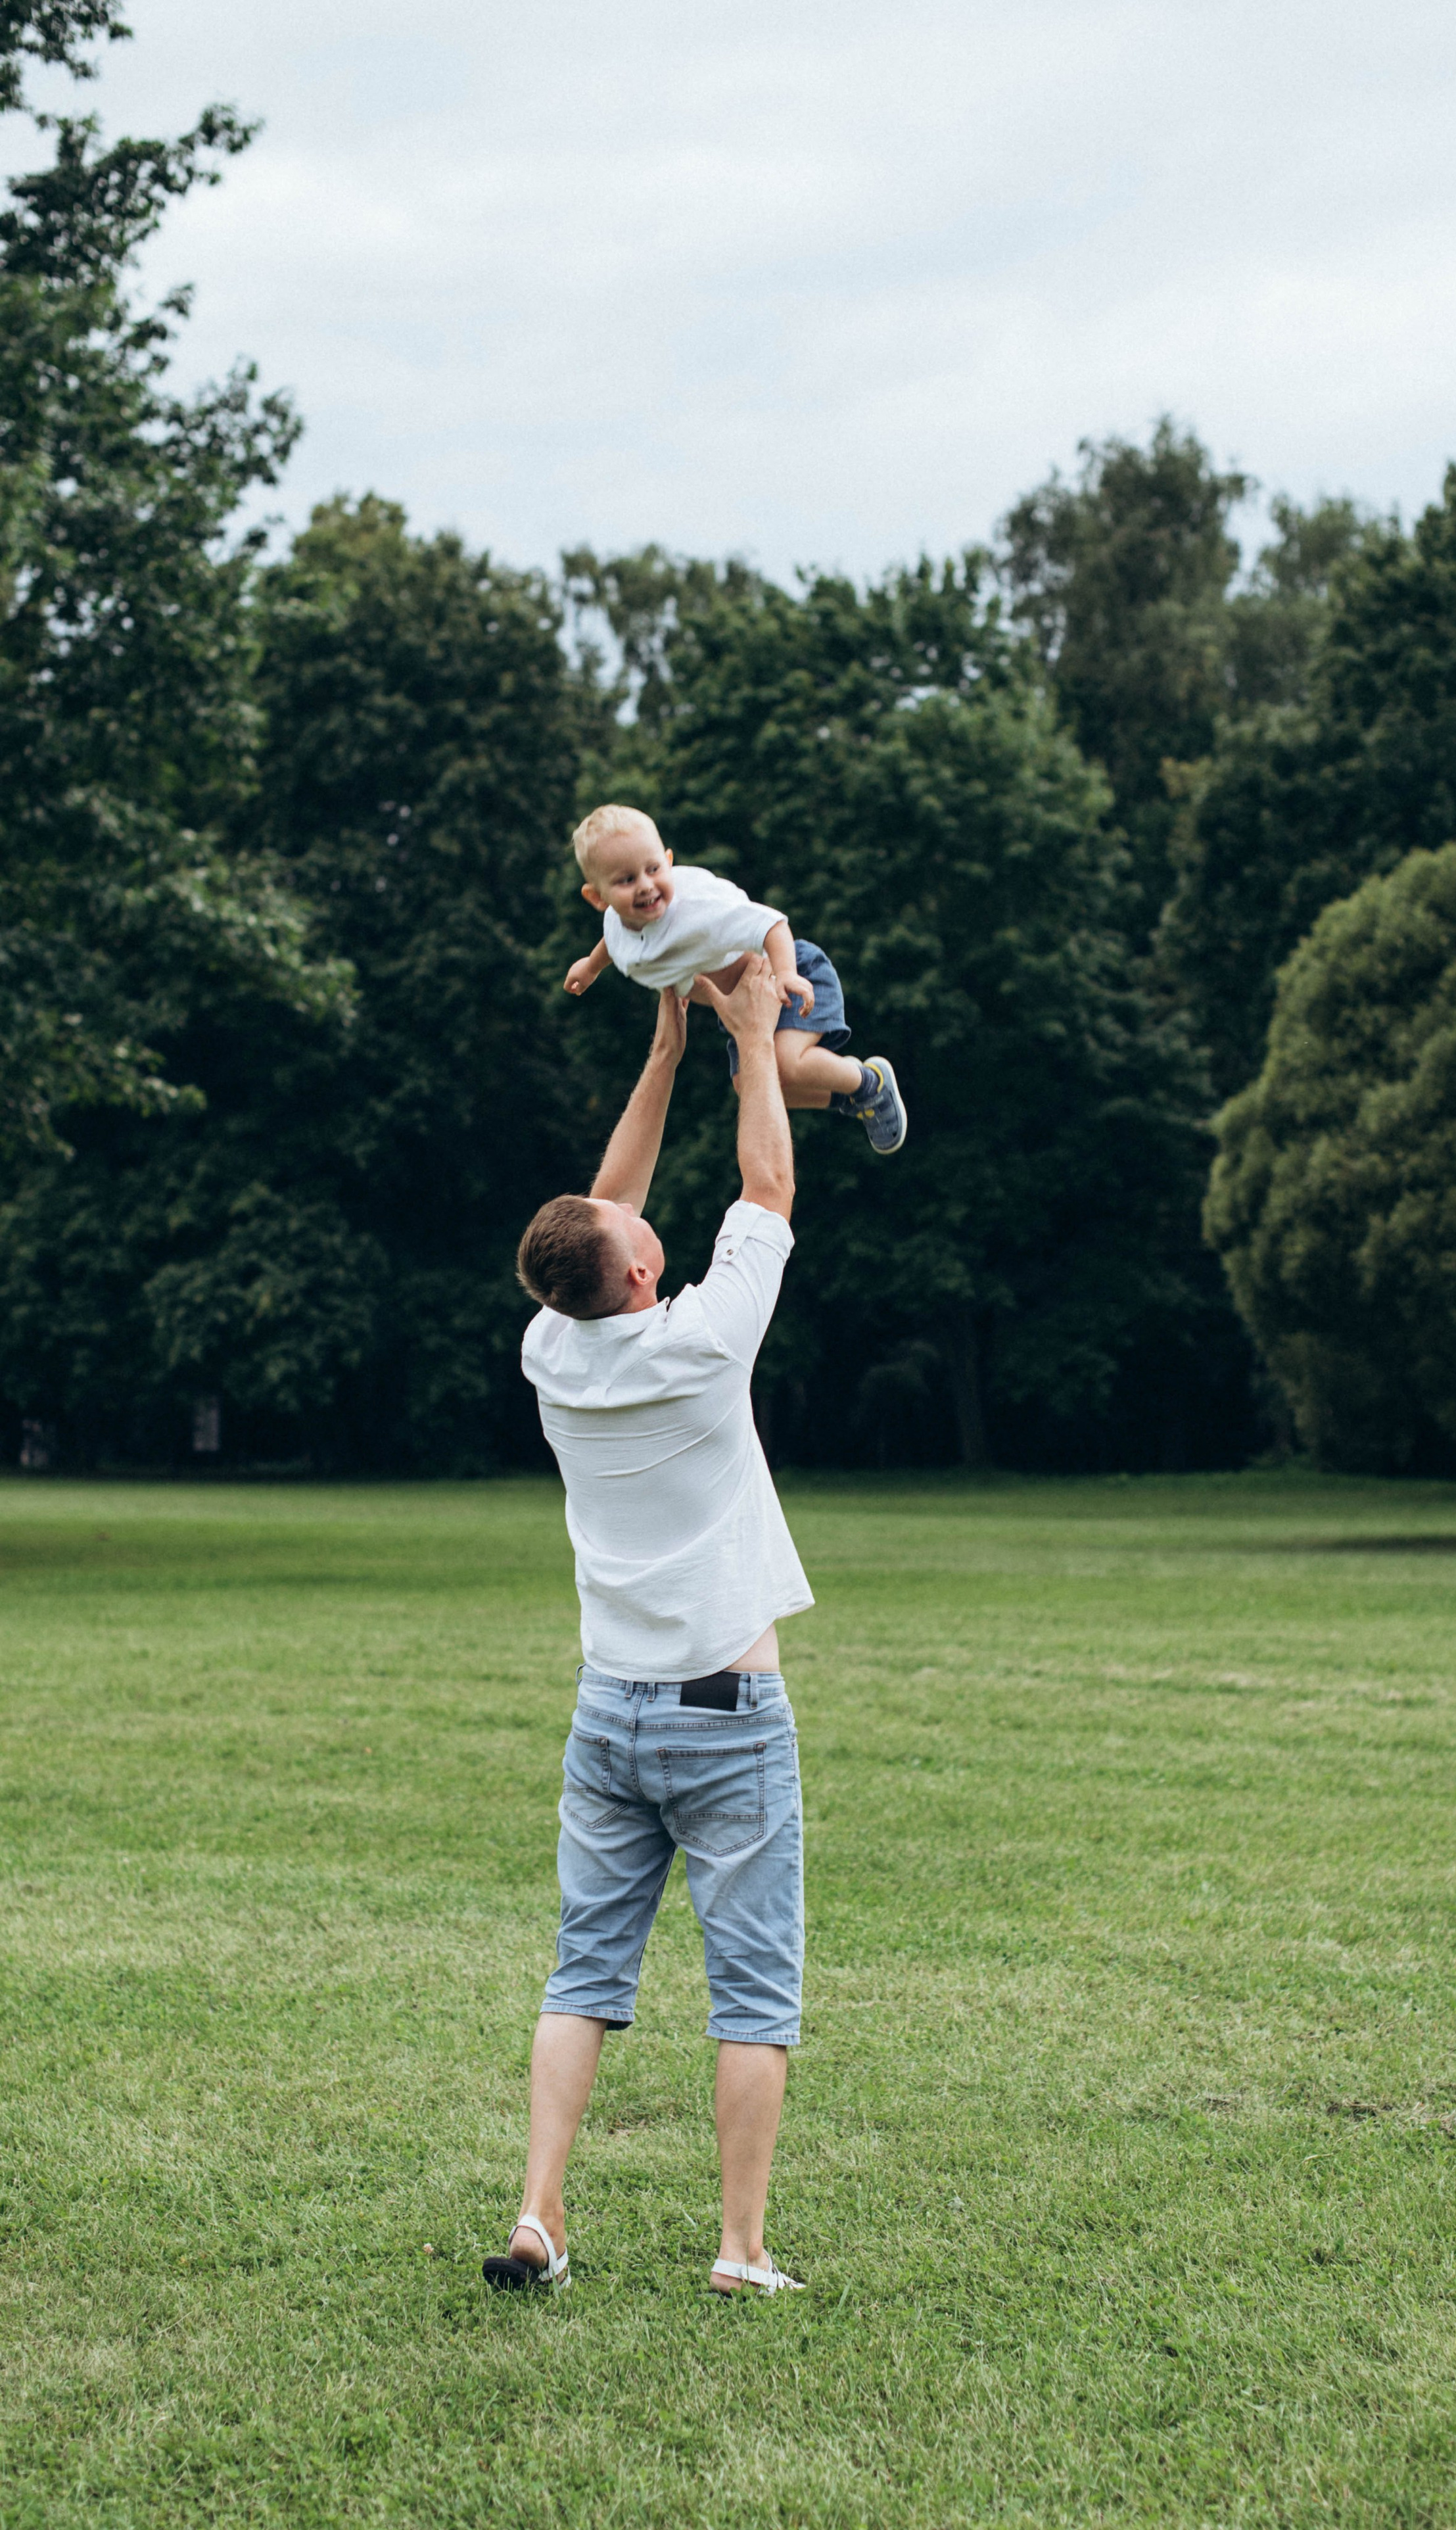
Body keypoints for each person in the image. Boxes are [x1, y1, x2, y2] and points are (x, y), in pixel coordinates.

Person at [483, 957, 812, 2299]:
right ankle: (738, 2250)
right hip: (726, 1715)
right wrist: (744, 1039)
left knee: (583, 1974)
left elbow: (598, 1208)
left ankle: (538, 2216)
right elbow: (767, 1189)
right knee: (753, 1994)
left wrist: (664, 1045)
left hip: (607, 1710)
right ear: (635, 1271)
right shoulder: (701, 1339)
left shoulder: (553, 1350)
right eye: (623, 1231)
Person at [562, 801, 908, 1155]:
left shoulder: (698, 909)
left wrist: (786, 974)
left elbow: (773, 924)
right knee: (754, 1086)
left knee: (785, 1064)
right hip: (742, 1009)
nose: (646, 886)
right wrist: (591, 966)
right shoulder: (619, 921)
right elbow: (616, 939)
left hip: (785, 976)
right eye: (627, 880)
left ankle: (869, 1083)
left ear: (668, 860)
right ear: (598, 898)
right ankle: (846, 1094)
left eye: (653, 869)